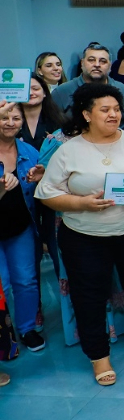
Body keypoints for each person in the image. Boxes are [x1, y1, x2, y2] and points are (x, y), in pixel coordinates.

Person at [35, 83, 124, 385]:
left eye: (116, 109)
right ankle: (98, 354)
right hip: (85, 236)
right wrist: (82, 203)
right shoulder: (69, 150)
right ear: (86, 114)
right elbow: (47, 193)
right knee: (89, 295)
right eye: (104, 110)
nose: (113, 114)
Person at [0, 104, 44, 352]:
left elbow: (42, 189)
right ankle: (3, 336)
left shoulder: (29, 151)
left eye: (16, 118)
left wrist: (41, 178)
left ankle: (27, 328)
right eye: (4, 117)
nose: (10, 122)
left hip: (20, 227)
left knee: (26, 280)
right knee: (3, 284)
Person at [51, 44, 124, 116]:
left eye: (103, 61)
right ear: (82, 63)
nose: (97, 65)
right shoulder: (61, 92)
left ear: (110, 66)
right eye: (91, 60)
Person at [18, 75, 66, 151]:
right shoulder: (9, 122)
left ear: (44, 93)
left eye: (35, 89)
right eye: (25, 90)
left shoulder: (60, 120)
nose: (30, 93)